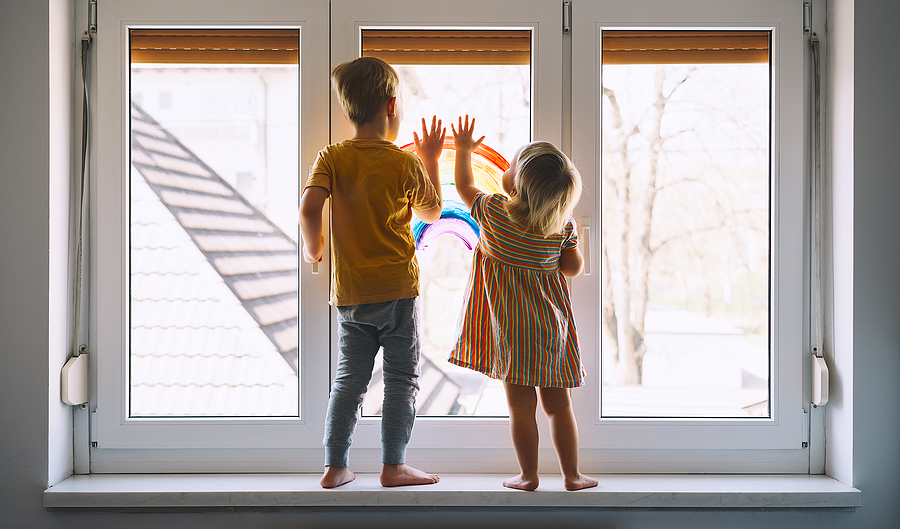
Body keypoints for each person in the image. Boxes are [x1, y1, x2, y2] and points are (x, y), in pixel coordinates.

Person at [299, 56, 445, 489]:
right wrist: (430, 158)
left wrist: (315, 250)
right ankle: (393, 466)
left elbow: (309, 208)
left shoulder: (333, 157)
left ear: (347, 112)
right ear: (392, 105)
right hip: (398, 292)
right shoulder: (403, 163)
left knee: (349, 379)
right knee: (401, 379)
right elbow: (433, 211)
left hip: (351, 294)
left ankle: (334, 465)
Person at [450, 116, 598, 492]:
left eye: (512, 164)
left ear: (518, 182)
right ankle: (572, 476)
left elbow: (465, 186)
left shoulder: (495, 212)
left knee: (521, 409)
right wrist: (576, 238)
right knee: (558, 407)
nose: (507, 167)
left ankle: (529, 476)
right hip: (550, 333)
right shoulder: (559, 228)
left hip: (510, 337)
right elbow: (573, 268)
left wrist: (465, 149)